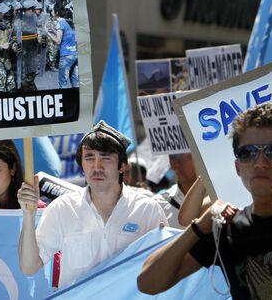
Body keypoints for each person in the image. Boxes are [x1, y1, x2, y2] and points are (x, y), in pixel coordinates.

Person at [138, 103, 272, 299]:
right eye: (247, 153)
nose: (260, 163)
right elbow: (148, 283)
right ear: (237, 167)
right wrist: (197, 229)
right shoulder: (226, 229)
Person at [18, 121, 167, 287]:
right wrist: (28, 215)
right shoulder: (62, 209)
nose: (97, 166)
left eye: (105, 157)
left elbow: (163, 269)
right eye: (89, 158)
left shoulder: (147, 209)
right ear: (82, 165)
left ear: (122, 166)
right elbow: (29, 267)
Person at [153, 153, 199, 229]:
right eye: (191, 157)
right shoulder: (158, 206)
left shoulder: (218, 195)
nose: (200, 161)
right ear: (174, 164)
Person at [47, 4, 78, 89]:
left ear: (57, 12)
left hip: (66, 56)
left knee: (63, 84)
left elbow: (58, 41)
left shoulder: (60, 23)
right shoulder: (70, 22)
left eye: (53, 10)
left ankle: (66, 102)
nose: (51, 12)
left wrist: (48, 33)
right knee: (75, 83)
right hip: (75, 55)